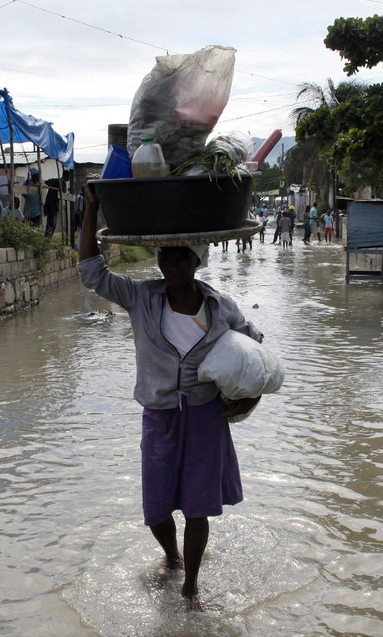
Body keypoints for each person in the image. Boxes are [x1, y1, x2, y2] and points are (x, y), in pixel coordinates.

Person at [77, 183, 262, 609]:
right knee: (156, 507)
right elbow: (91, 271)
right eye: (166, 256)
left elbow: (255, 355)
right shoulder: (142, 297)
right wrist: (91, 210)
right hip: (159, 416)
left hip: (204, 418)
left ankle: (191, 585)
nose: (172, 264)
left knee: (197, 507)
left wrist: (250, 400)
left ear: (197, 261)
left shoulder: (221, 308)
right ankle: (171, 555)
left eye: (182, 256)